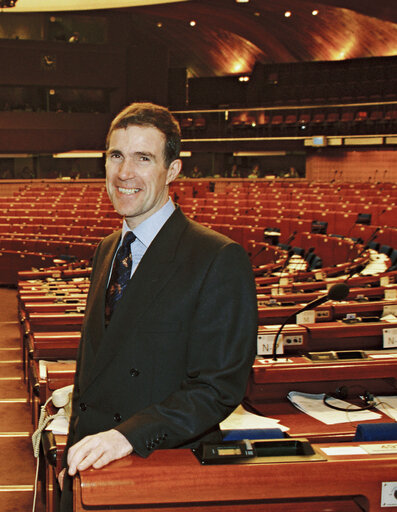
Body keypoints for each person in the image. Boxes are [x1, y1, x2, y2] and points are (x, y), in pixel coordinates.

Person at [59, 103, 257, 511]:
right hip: (93, 462)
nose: (124, 173)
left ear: (173, 171)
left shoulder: (217, 257)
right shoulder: (108, 249)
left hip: (159, 470)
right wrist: (73, 453)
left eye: (143, 158)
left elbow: (217, 388)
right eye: (116, 156)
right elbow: (95, 363)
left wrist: (126, 436)